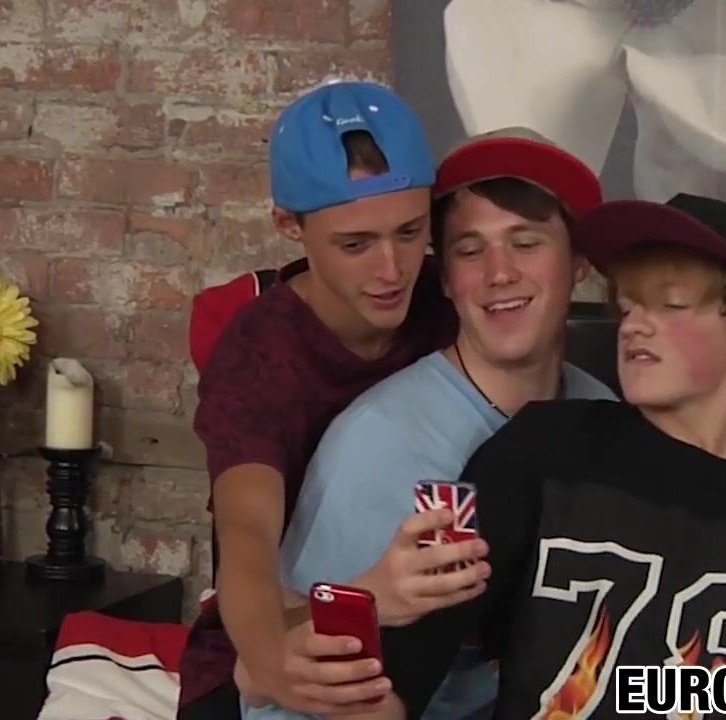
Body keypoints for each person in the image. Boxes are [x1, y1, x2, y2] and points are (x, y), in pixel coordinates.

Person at [369, 195, 726, 718]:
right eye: (628, 305)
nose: (634, 326)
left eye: (671, 304)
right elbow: (407, 663)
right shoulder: (545, 446)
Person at [239, 127, 619, 720]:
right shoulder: (379, 443)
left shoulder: (605, 415)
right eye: (470, 250)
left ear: (578, 264)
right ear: (445, 279)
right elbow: (270, 684)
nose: (499, 273)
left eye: (525, 242)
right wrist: (369, 600)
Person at [177, 79, 462, 720]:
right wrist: (272, 665)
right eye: (355, 244)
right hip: (270, 642)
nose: (391, 269)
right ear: (290, 225)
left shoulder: (451, 302)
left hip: (427, 649)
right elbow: (246, 539)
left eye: (410, 232)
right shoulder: (257, 354)